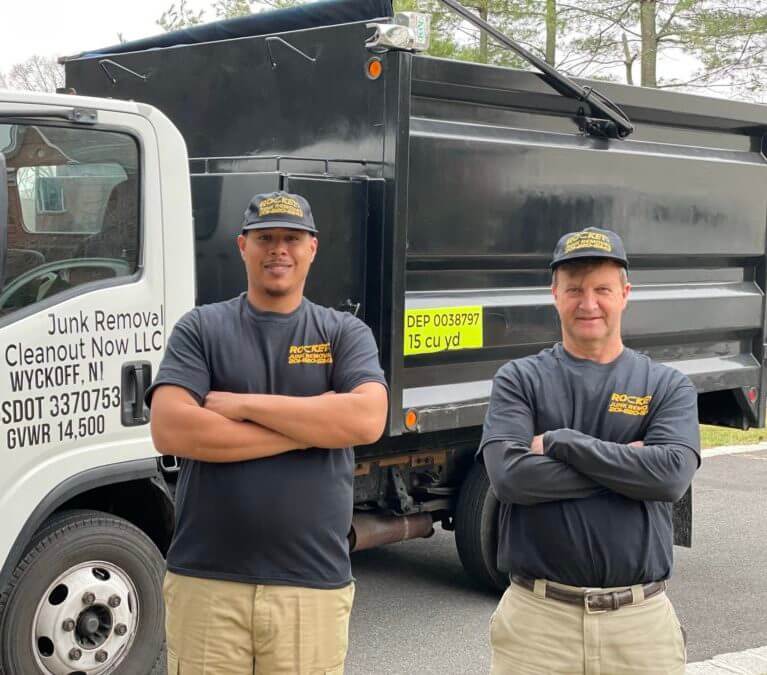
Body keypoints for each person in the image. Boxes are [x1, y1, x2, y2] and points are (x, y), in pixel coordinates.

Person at [146, 191, 389, 675]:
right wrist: (313, 427)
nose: (279, 249)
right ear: (242, 246)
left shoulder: (343, 333)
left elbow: (365, 420)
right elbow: (171, 428)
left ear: (312, 248)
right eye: (266, 238)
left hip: (310, 586)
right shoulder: (201, 328)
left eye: (292, 238)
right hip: (206, 582)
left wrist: (242, 405)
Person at [479, 227, 700, 674]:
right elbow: (510, 478)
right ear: (555, 294)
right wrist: (629, 471)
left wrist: (563, 442)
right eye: (575, 289)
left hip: (639, 628)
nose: (589, 303)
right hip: (538, 624)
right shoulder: (519, 380)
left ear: (625, 294)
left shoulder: (666, 385)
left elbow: (670, 477)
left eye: (602, 289)